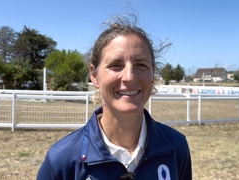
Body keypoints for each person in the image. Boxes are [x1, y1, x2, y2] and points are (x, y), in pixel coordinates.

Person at [37, 14, 192, 180]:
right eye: (116, 65)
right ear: (94, 75)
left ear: (153, 73)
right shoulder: (62, 160)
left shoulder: (176, 147)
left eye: (141, 65)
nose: (129, 77)